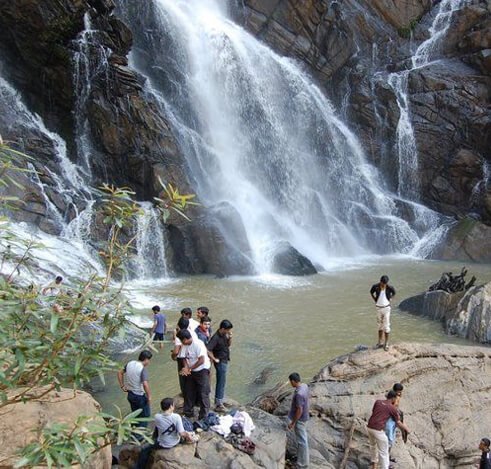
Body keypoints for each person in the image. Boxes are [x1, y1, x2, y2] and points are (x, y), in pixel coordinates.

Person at [136, 397, 194, 469]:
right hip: (174, 442)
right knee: (184, 423)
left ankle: (139, 467)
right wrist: (188, 435)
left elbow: (158, 427)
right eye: (173, 405)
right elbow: (181, 433)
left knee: (144, 450)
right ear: (170, 406)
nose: (174, 406)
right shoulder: (176, 417)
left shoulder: (157, 416)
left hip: (161, 443)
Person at [367, 390, 410, 469]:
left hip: (369, 427)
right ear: (393, 398)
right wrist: (406, 429)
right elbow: (398, 422)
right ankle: (385, 467)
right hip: (378, 430)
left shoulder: (378, 402)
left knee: (373, 446)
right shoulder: (392, 408)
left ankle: (374, 465)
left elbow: (374, 412)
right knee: (384, 451)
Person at [177, 329, 211, 419]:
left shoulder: (198, 344)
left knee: (203, 392)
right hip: (192, 370)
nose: (181, 342)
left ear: (185, 339)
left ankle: (203, 415)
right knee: (188, 391)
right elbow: (183, 357)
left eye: (181, 340)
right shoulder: (185, 345)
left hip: (202, 370)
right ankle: (188, 412)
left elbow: (201, 360)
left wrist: (189, 368)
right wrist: (185, 367)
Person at [117, 350, 153, 427]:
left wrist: (122, 386)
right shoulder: (142, 369)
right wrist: (149, 397)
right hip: (139, 396)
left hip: (130, 395)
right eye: (149, 360)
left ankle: (134, 431)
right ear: (146, 359)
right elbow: (145, 384)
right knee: (145, 416)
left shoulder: (130, 363)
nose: (149, 362)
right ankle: (140, 436)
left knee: (135, 415)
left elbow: (119, 372)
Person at [207, 319, 233, 411]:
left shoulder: (224, 335)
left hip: (225, 359)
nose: (229, 331)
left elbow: (228, 345)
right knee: (221, 382)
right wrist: (214, 359)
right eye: (228, 330)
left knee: (223, 381)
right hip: (220, 362)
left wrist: (230, 337)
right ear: (222, 328)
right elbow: (208, 349)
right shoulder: (216, 338)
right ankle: (218, 403)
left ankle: (219, 400)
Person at [287, 372, 310, 469]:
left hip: (300, 419)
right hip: (305, 416)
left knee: (302, 441)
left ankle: (302, 464)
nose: (290, 383)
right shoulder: (304, 386)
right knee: (302, 440)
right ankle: (302, 458)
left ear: (293, 381)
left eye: (290, 382)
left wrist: (293, 423)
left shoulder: (299, 394)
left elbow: (299, 410)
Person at [370, 275, 396, 351]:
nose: (383, 285)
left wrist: (390, 299)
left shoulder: (389, 287)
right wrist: (375, 299)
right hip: (378, 308)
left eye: (384, 284)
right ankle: (379, 342)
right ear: (380, 281)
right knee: (379, 326)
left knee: (386, 326)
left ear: (386, 283)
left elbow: (394, 293)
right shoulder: (375, 286)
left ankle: (386, 343)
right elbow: (371, 292)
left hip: (387, 308)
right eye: (382, 283)